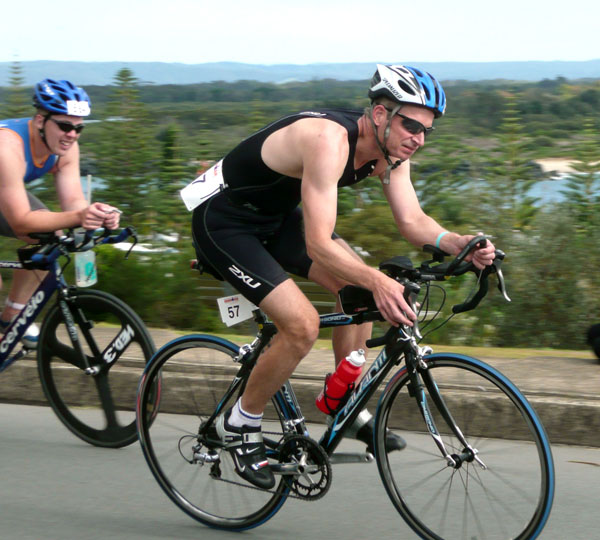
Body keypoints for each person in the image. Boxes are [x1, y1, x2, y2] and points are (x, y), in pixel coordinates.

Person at [189, 64, 496, 489]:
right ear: (380, 113)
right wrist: (379, 280)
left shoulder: (391, 152)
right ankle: (241, 424)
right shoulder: (328, 140)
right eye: (411, 125)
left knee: (359, 293)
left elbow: (413, 221)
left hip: (276, 220)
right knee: (302, 325)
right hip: (224, 223)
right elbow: (318, 245)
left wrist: (459, 242)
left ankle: (343, 404)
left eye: (427, 131)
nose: (419, 139)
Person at [0, 79, 120, 347]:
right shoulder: (7, 147)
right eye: (65, 126)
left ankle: (13, 315)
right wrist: (78, 217)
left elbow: (73, 202)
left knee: (51, 236)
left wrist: (96, 214)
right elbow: (21, 222)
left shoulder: (66, 148)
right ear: (40, 121)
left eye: (79, 128)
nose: (72, 135)